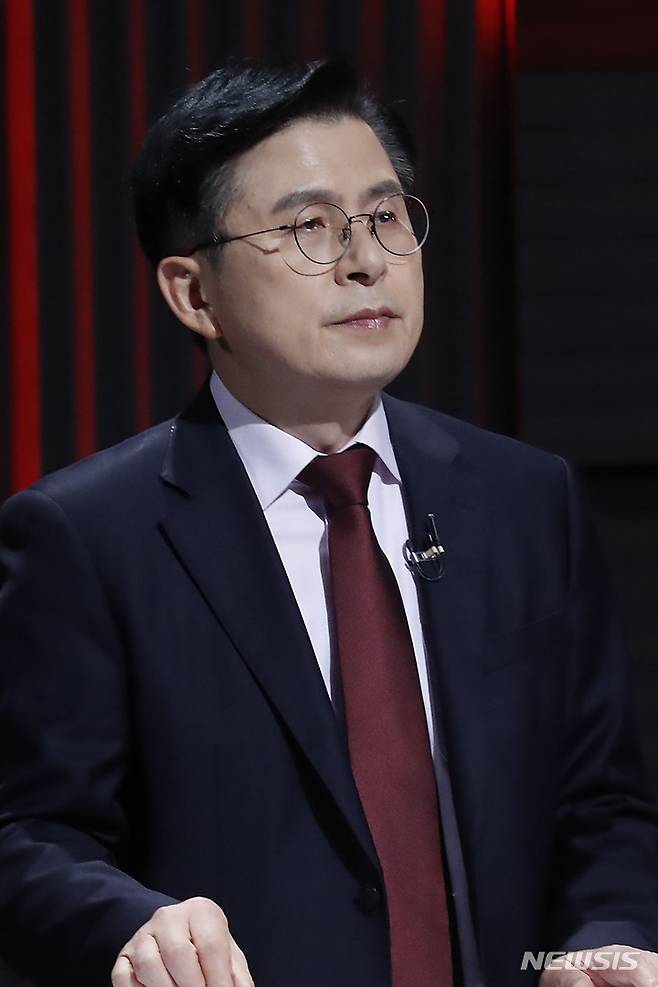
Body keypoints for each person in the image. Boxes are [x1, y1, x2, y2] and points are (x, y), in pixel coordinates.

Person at [0, 59, 657, 987]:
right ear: (194, 293)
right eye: (310, 226)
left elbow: (600, 803)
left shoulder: (524, 501)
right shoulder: (86, 535)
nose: (366, 260)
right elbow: (29, 834)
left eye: (386, 217)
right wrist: (133, 924)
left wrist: (607, 931)